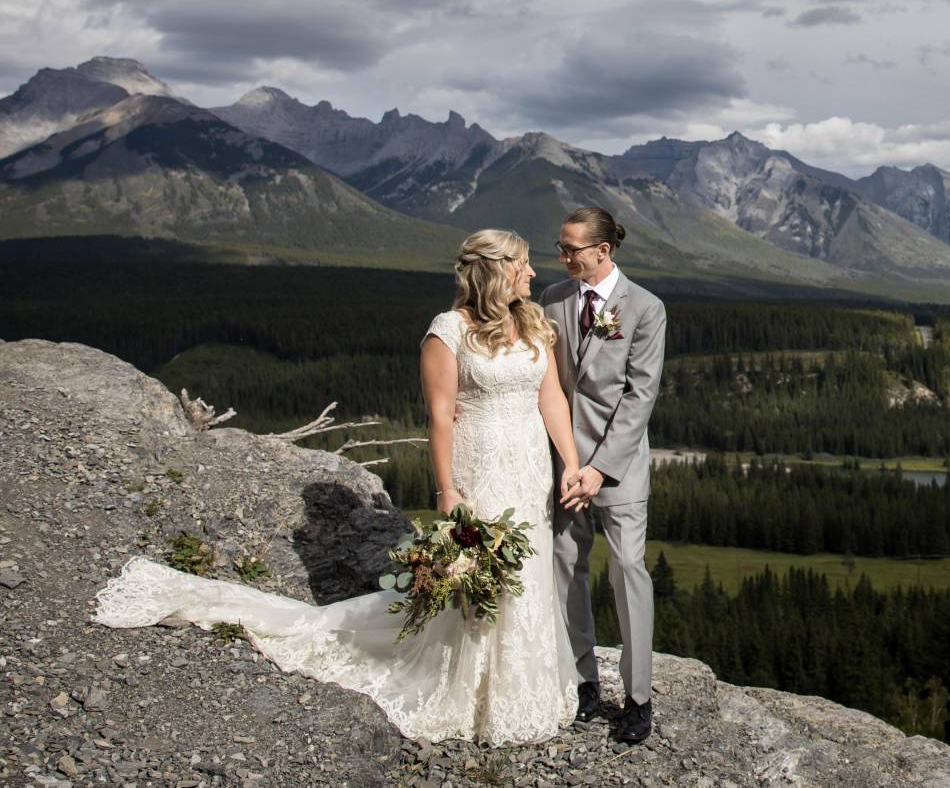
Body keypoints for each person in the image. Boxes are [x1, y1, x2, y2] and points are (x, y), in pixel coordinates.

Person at [94, 229, 584, 746]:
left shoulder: (532, 324)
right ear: (495, 269)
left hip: (530, 466)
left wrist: (569, 462)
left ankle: (525, 685)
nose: (533, 274)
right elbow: (440, 416)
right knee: (479, 569)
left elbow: (551, 399)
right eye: (524, 265)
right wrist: (448, 489)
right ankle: (477, 692)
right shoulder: (448, 331)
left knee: (526, 569)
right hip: (480, 461)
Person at [542, 206, 666, 745]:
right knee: (567, 569)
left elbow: (640, 398)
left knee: (627, 571)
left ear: (603, 251)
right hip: (561, 463)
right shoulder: (551, 299)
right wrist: (569, 462)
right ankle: (582, 682)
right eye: (561, 248)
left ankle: (638, 697)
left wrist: (599, 468)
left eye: (572, 249)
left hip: (617, 469)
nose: (564, 257)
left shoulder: (645, 307)